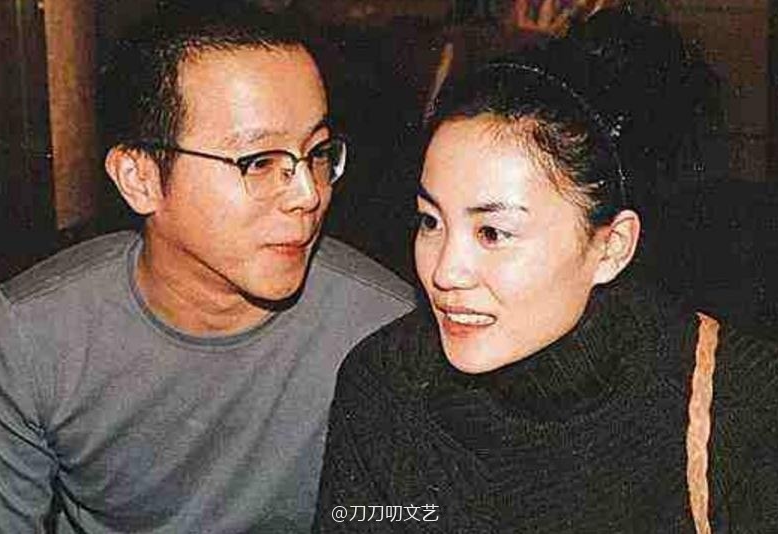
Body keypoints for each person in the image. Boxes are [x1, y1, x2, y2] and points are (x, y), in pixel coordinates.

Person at [0, 3, 414, 532]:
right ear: (140, 179)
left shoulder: (389, 333)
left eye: (316, 153)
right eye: (259, 161)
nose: (307, 194)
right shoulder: (32, 339)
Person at [314, 59, 778, 531]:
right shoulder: (386, 383)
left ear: (611, 248)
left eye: (493, 232)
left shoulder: (741, 403)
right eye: (431, 221)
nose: (445, 271)